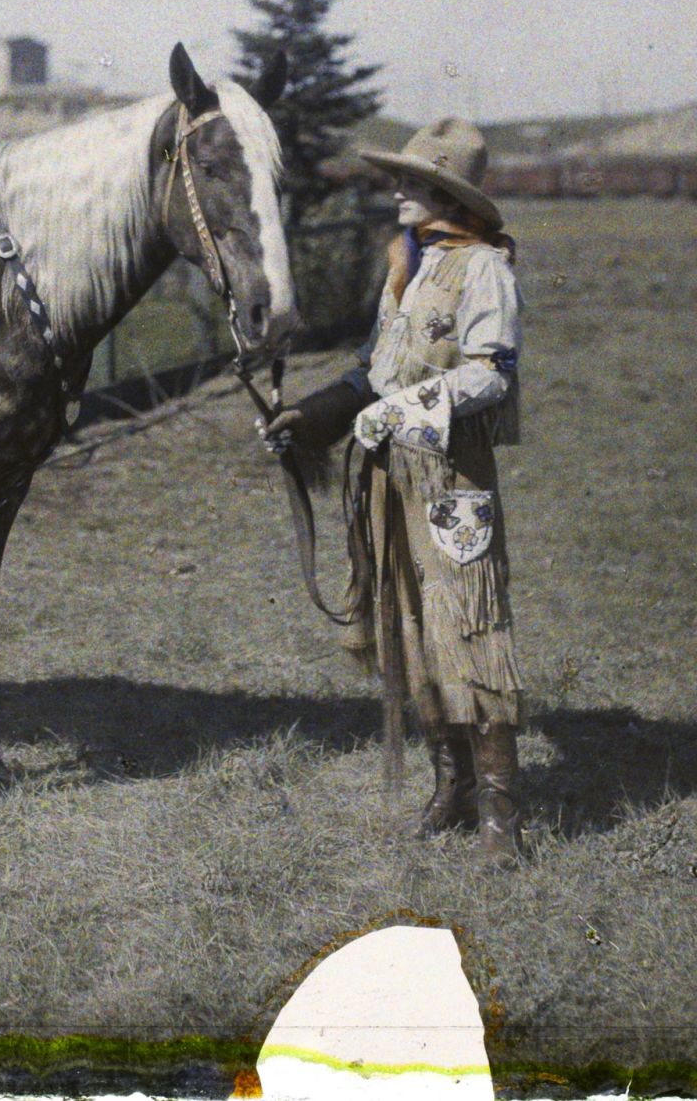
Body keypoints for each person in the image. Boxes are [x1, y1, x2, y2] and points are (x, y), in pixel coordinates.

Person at [261, 118, 526, 867]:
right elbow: (374, 370)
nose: (398, 192)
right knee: (408, 628)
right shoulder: (405, 264)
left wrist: (400, 412)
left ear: (446, 193)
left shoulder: (484, 270)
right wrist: (309, 418)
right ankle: (453, 785)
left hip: (452, 480)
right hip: (386, 480)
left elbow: (489, 373)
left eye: (412, 182)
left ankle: (501, 817)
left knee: (469, 628)